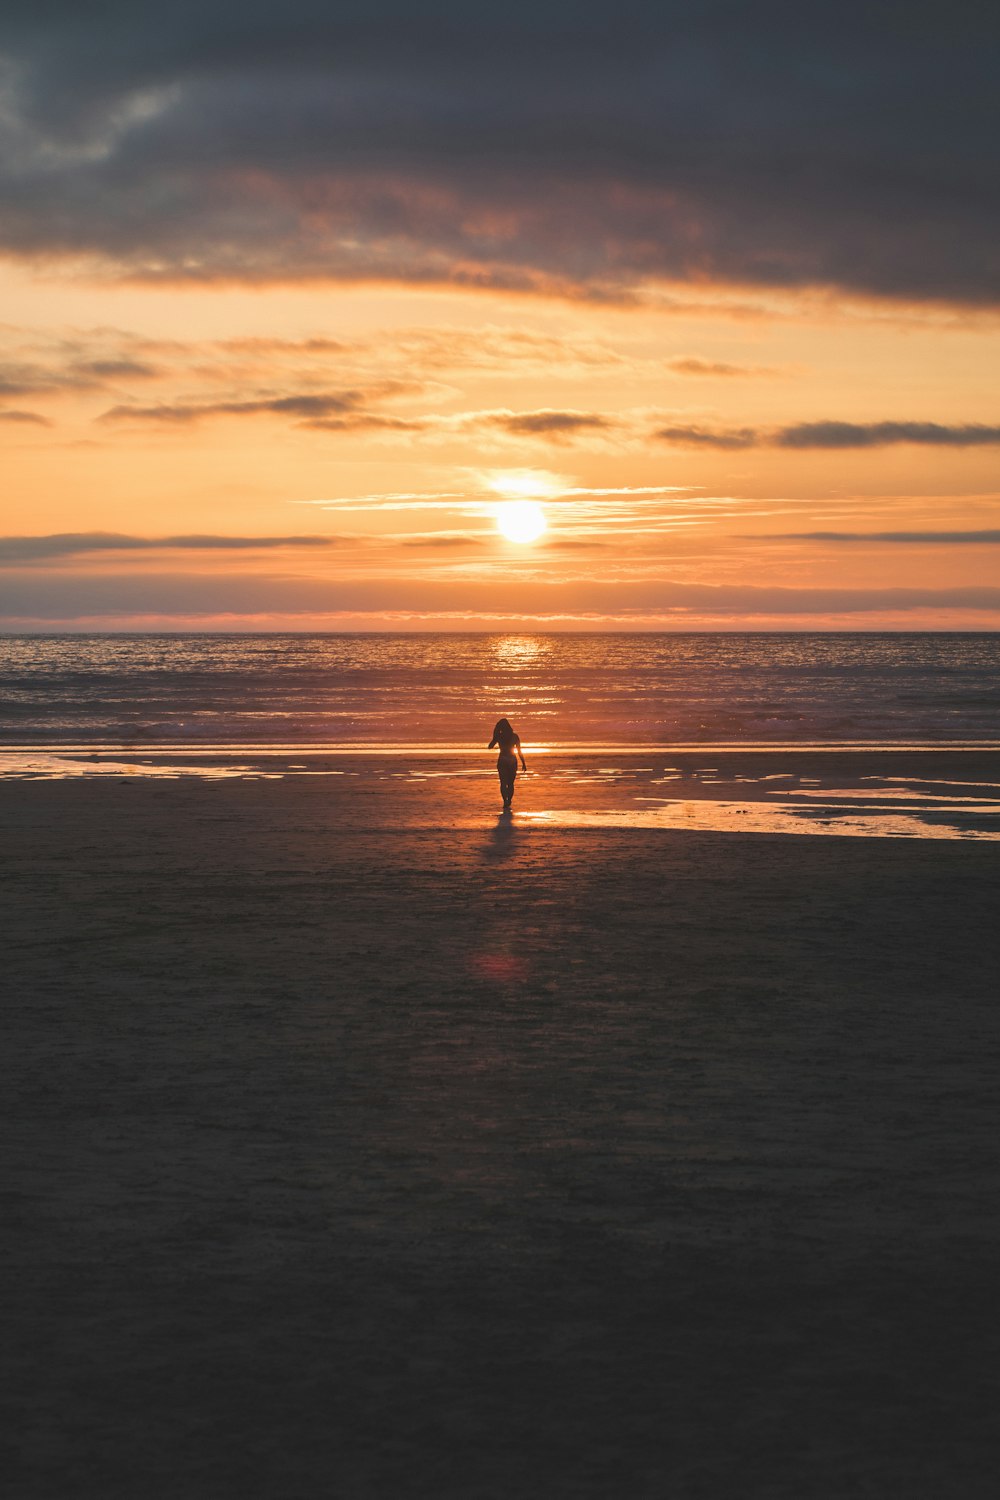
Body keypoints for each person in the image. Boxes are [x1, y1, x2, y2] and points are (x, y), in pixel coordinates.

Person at [488, 717, 527, 810]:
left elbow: (490, 747)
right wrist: (524, 763)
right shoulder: (515, 736)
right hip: (512, 760)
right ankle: (509, 799)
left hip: (503, 759)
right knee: (510, 783)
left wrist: (495, 734)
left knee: (503, 782)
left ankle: (505, 801)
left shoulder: (499, 736)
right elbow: (519, 751)